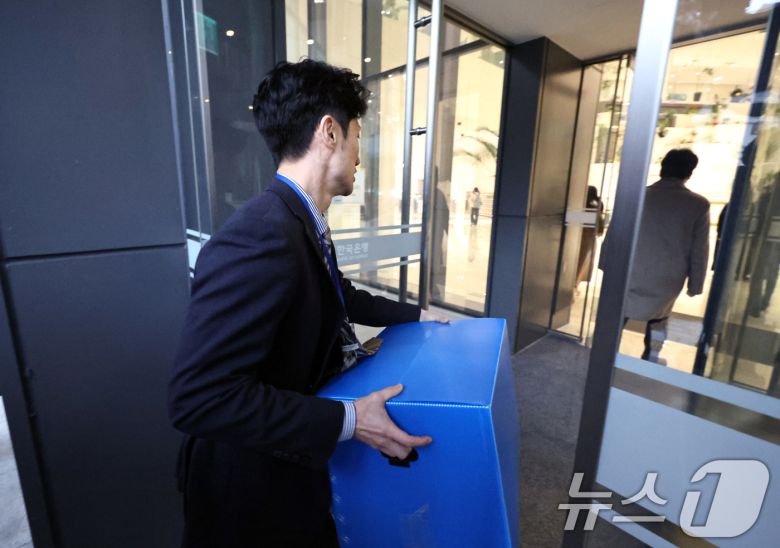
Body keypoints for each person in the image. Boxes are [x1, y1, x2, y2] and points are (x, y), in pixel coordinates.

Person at [168, 59, 448, 547]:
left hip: (286, 471)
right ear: (329, 132)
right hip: (247, 495)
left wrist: (420, 317)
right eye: (357, 137)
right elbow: (200, 398)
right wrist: (352, 419)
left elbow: (339, 294)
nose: (360, 156)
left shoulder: (298, 219)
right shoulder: (262, 234)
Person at [604, 148, 709, 363]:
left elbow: (615, 232)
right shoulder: (698, 204)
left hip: (631, 268)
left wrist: (606, 263)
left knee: (619, 315)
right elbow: (699, 249)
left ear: (663, 168)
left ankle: (606, 358)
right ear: (689, 172)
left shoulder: (636, 196)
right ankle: (650, 359)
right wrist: (695, 284)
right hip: (668, 276)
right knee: (659, 319)